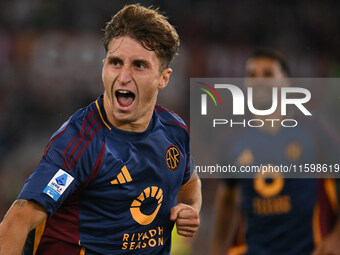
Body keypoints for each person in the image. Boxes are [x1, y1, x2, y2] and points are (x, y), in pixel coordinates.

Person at [0, 4, 201, 255]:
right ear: (103, 66)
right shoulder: (80, 142)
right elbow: (17, 221)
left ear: (164, 77)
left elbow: (190, 180)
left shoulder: (175, 130)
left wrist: (190, 208)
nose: (124, 76)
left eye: (139, 65)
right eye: (116, 63)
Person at [210, 49, 340, 255]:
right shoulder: (232, 140)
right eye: (252, 75)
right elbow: (226, 199)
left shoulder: (314, 131)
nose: (259, 81)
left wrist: (337, 237)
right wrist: (217, 250)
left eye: (268, 74)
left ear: (286, 83)